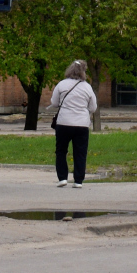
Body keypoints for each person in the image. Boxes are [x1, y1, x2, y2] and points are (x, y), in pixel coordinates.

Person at [48, 60, 98, 188]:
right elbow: (93, 107)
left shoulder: (61, 84)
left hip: (63, 123)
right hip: (81, 124)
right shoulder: (87, 87)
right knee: (80, 152)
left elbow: (54, 103)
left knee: (61, 151)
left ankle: (62, 178)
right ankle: (78, 180)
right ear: (83, 72)